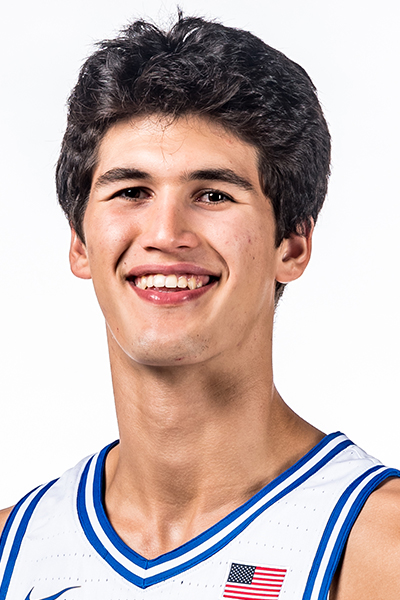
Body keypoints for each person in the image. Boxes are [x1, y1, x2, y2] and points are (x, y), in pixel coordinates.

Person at [0, 14, 399, 600]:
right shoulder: (15, 551)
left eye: (213, 194)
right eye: (131, 192)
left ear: (291, 246)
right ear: (80, 243)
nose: (166, 233)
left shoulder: (380, 546)